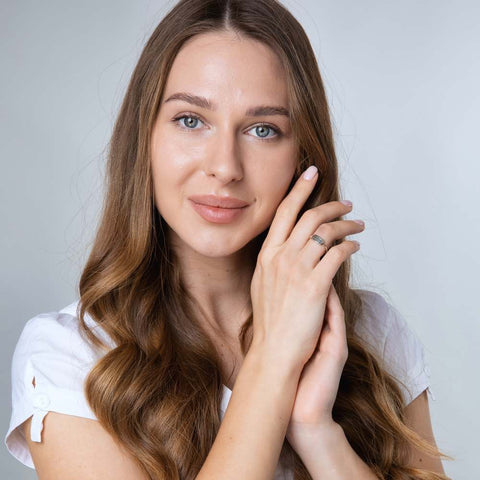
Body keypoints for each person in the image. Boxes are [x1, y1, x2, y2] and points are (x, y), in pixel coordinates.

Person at [5, 0, 453, 479]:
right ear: (145, 138)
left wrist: (316, 430)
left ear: (303, 155)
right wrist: (274, 360)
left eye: (263, 130)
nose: (225, 166)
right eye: (191, 120)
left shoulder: (372, 334)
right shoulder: (71, 355)